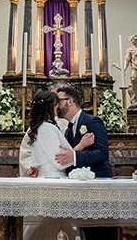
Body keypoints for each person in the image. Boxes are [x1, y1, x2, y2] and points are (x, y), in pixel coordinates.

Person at [19, 91, 96, 240]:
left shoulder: (44, 127)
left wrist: (70, 152)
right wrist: (81, 145)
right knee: (53, 228)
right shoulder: (47, 128)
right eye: (56, 104)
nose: (58, 107)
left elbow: (52, 155)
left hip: (50, 181)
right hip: (52, 184)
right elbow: (59, 161)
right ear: (50, 107)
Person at [54, 86, 115, 240]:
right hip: (82, 189)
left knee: (103, 235)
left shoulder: (92, 121)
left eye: (58, 101)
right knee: (88, 233)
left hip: (98, 187)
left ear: (70, 101)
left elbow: (102, 153)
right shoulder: (68, 129)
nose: (56, 105)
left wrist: (75, 156)